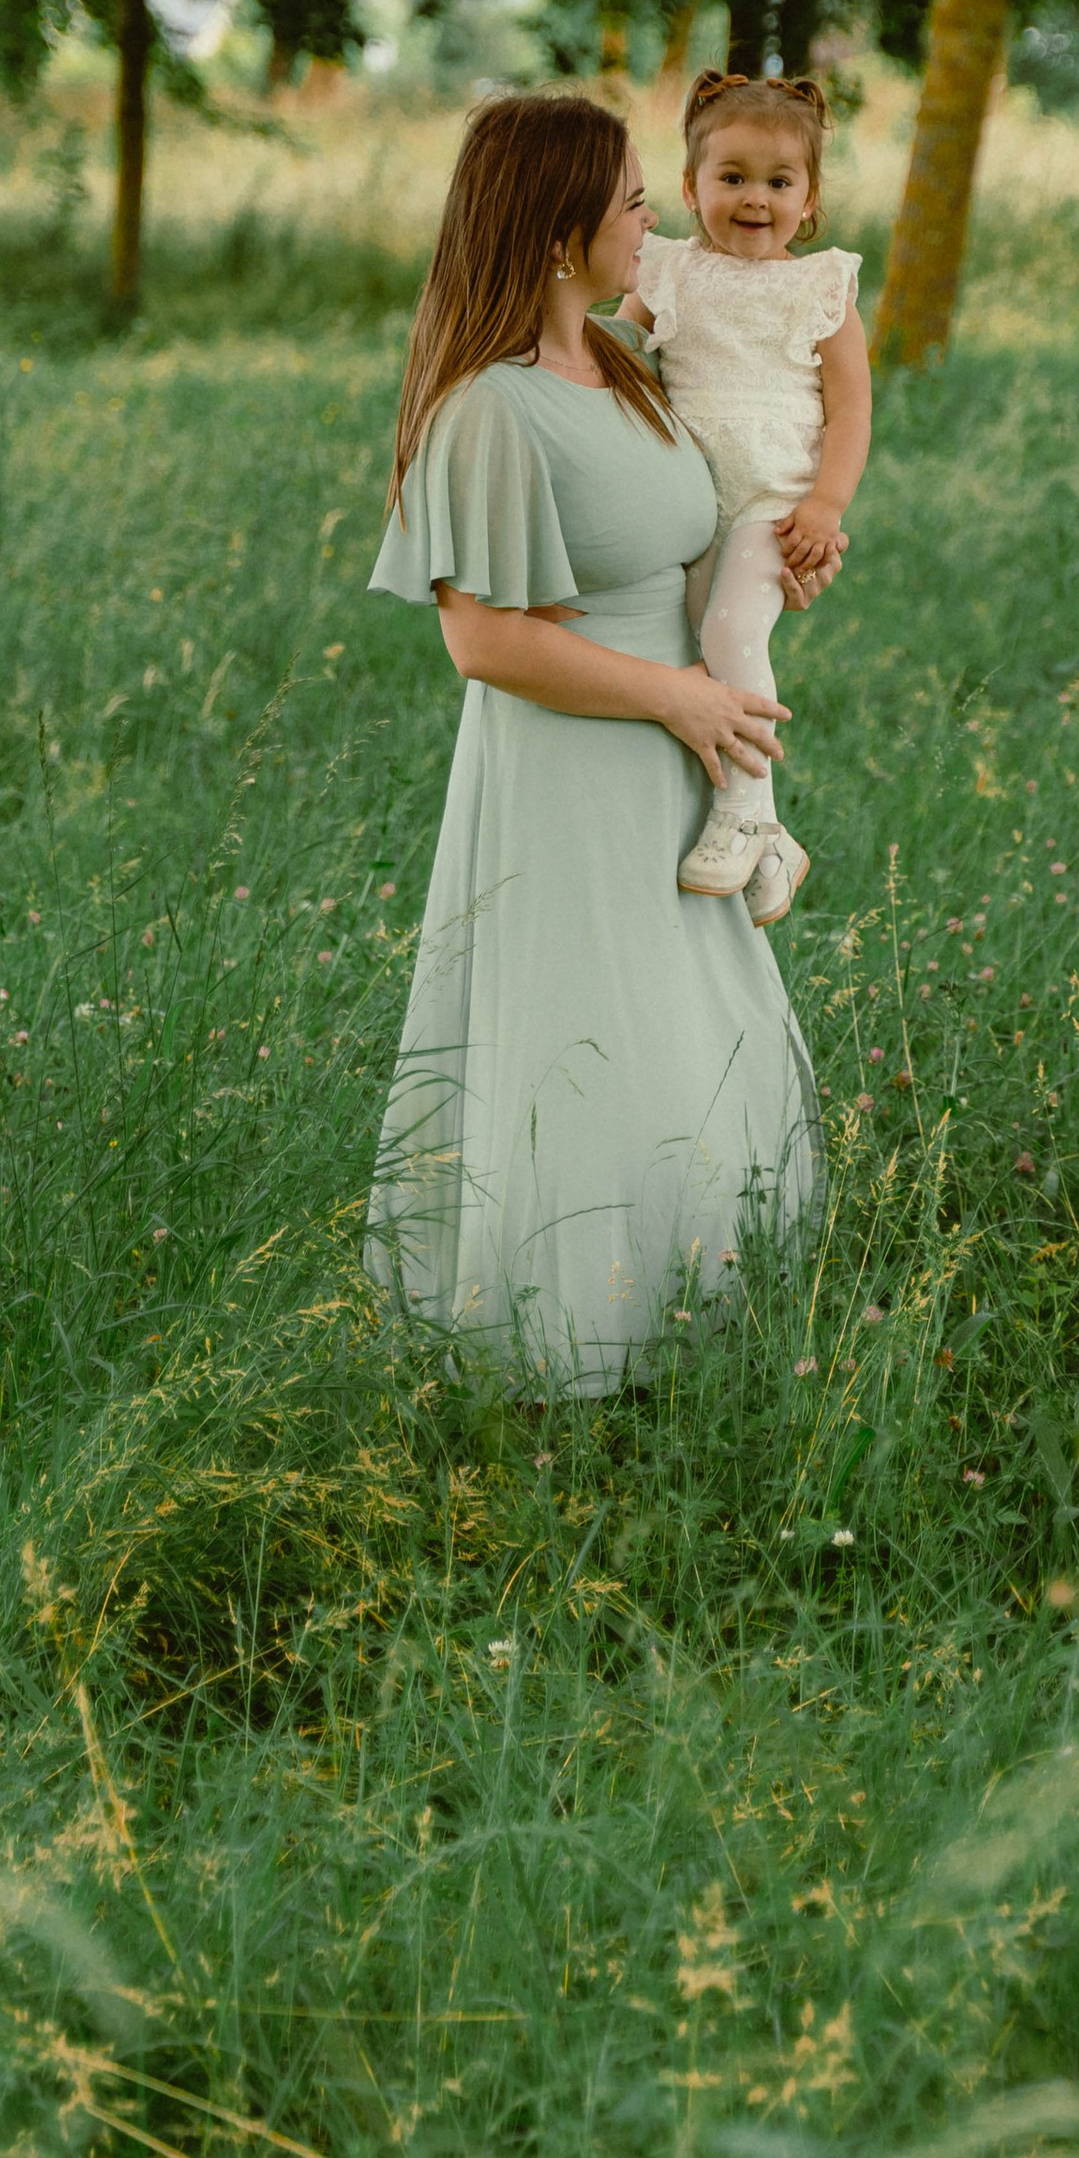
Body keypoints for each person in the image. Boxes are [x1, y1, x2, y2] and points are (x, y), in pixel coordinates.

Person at [366, 88, 824, 1396]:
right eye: (631, 199)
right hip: (574, 769)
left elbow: (688, 531)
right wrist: (679, 700)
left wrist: (775, 564)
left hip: (671, 761)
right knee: (589, 1045)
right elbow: (486, 644)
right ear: (563, 226)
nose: (655, 218)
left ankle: (694, 1330)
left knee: (690, 1039)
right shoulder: (490, 409)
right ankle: (566, 1356)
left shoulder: (623, 363)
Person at [621, 69, 870, 926]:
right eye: (732, 178)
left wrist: (826, 506)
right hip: (687, 503)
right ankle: (772, 840)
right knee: (691, 653)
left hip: (772, 503)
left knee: (732, 633)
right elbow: (620, 356)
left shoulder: (821, 288)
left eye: (779, 181)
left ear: (810, 198)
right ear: (689, 187)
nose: (754, 198)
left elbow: (852, 408)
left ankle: (745, 810)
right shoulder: (667, 273)